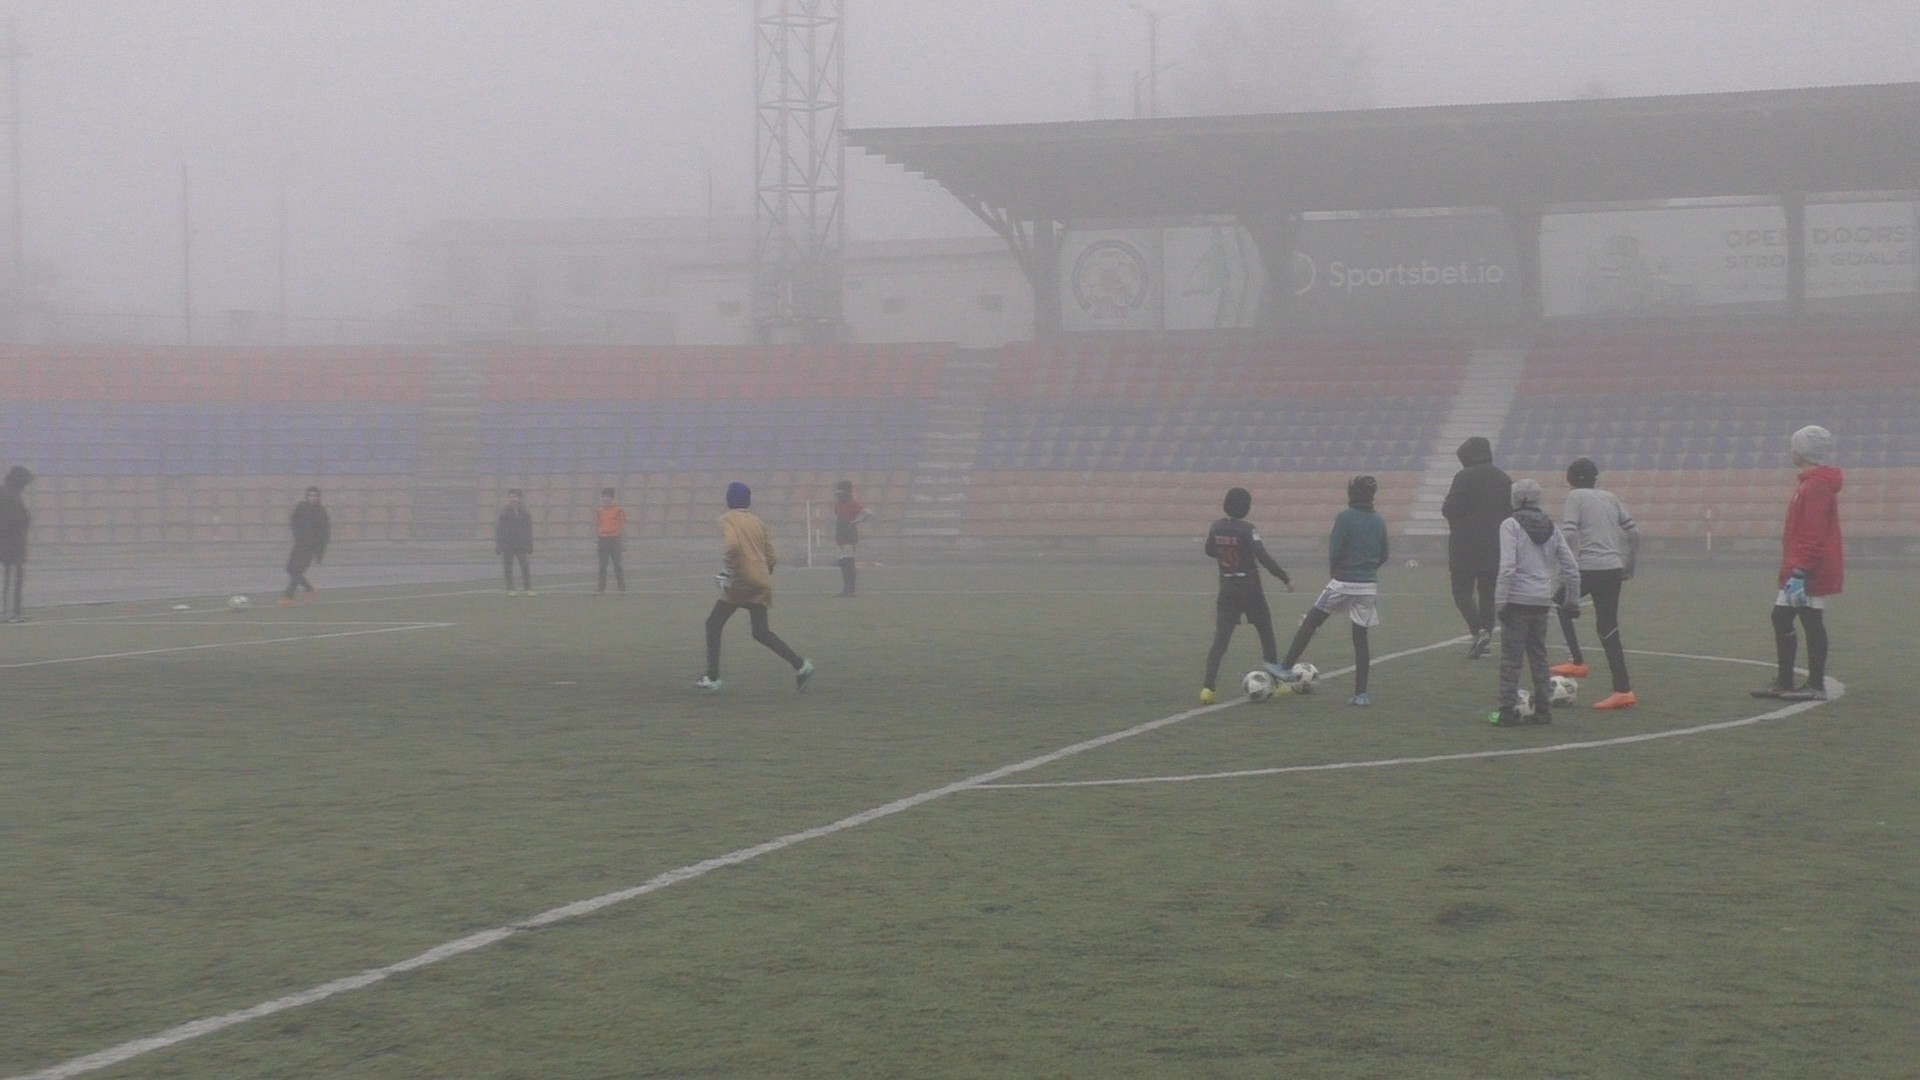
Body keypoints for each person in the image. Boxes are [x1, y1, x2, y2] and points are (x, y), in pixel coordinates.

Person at [1277, 476, 1388, 706]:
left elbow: (1335, 550)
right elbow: (1384, 554)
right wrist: (1368, 570)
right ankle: (1361, 694)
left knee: (1312, 621)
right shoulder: (1378, 520)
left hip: (1343, 581)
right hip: (1368, 586)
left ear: (1352, 494)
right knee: (1360, 639)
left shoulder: (1345, 517)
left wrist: (1336, 573)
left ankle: (1286, 666)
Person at [1752, 425, 1844, 702]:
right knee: (1789, 617)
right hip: (1804, 565)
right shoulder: (1812, 484)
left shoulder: (1815, 486)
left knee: (1805, 619)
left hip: (1810, 568)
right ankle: (1788, 682)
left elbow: (1813, 533)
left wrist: (1800, 570)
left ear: (1802, 451)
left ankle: (1812, 684)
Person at [697, 482, 815, 692]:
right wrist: (761, 573)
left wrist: (728, 570)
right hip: (761, 581)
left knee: (713, 623)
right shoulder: (757, 522)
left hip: (741, 581)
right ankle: (801, 665)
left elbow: (732, 545)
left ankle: (712, 677)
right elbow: (771, 557)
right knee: (761, 631)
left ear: (728, 499)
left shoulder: (727, 519)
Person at [1488, 479, 1579, 728]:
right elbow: (1571, 567)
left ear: (1515, 499)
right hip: (1541, 599)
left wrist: (1501, 600)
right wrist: (1572, 599)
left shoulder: (1510, 525)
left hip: (1517, 599)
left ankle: (1507, 711)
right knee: (1539, 656)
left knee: (1511, 659)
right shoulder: (1551, 527)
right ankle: (1544, 710)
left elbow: (1508, 566)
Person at [1551, 458, 1640, 710]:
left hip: (1589, 567)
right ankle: (1623, 691)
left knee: (1560, 603)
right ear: (1595, 478)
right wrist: (1629, 565)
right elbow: (1633, 532)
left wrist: (1568, 567)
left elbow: (1569, 532)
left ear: (1570, 480)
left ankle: (1576, 661)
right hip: (1613, 569)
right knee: (1608, 628)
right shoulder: (1610, 497)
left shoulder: (1575, 497)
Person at [1198, 486, 1295, 706]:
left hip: (1227, 588)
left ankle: (1208, 688)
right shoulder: (1248, 529)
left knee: (1220, 641)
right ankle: (1277, 684)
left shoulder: (1216, 527)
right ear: (1246, 508)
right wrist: (1284, 578)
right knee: (1265, 632)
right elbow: (1262, 556)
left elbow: (1209, 550)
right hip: (1250, 589)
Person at [1442, 435, 1513, 659]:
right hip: (1495, 546)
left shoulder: (1464, 477)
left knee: (1462, 593)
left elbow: (1450, 509)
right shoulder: (1504, 478)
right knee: (1487, 594)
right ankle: (1487, 632)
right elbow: (1511, 514)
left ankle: (1478, 632)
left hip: (1465, 546)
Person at [281, 486, 330, 606]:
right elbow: (293, 520)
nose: (313, 498)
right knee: (290, 569)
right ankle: (309, 590)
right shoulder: (301, 507)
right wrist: (297, 534)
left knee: (298, 570)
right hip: (299, 545)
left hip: (311, 548)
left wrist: (320, 553)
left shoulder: (321, 513)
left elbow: (325, 534)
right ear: (307, 497)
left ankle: (288, 597)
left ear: (318, 498)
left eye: (315, 496)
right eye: (310, 495)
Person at [0, 465, 32, 623]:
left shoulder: (7, 493)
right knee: (15, 576)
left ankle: (9, 612)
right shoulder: (9, 496)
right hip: (10, 542)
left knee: (9, 576)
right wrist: (25, 517)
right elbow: (9, 519)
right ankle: (13, 612)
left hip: (10, 541)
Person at [832, 479, 871, 597]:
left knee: (849, 562)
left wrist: (856, 521)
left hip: (849, 535)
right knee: (842, 562)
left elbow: (868, 513)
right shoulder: (837, 504)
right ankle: (846, 589)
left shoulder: (853, 503)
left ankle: (851, 590)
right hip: (840, 535)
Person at [495, 488, 535, 595]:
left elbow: (528, 529)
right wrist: (499, 544)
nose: (513, 499)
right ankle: (510, 589)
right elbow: (499, 529)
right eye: (511, 497)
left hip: (521, 544)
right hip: (508, 544)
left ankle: (528, 588)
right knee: (508, 567)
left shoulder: (525, 513)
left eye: (515, 497)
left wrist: (529, 544)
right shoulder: (504, 513)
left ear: (519, 498)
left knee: (525, 566)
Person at [594, 487, 626, 595]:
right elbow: (597, 525)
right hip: (603, 539)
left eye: (607, 497)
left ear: (612, 498)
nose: (605, 499)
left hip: (614, 539)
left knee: (617, 565)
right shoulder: (599, 511)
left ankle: (622, 589)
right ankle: (601, 589)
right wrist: (597, 540)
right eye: (603, 497)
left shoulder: (618, 510)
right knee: (602, 566)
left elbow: (622, 525)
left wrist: (622, 540)